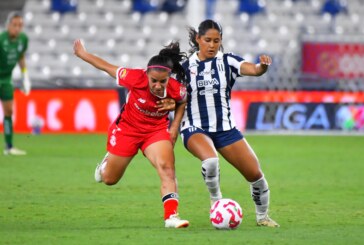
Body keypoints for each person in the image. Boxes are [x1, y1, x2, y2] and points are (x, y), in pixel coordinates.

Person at [73, 39, 189, 228]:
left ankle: (171, 217)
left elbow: (184, 101)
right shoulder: (135, 77)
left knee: (167, 168)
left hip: (155, 131)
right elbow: (106, 67)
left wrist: (174, 125)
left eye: (163, 81)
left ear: (169, 78)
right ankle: (105, 165)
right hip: (127, 129)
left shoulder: (177, 88)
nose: (158, 86)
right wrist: (83, 54)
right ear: (147, 75)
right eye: (154, 81)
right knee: (110, 179)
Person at [178, 19, 279, 227]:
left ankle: (263, 218)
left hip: (225, 129)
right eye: (208, 40)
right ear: (198, 39)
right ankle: (216, 202)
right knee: (211, 161)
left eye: (217, 41)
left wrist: (262, 67)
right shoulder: (185, 68)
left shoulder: (227, 61)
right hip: (195, 128)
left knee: (256, 175)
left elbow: (253, 69)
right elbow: (174, 98)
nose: (212, 45)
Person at [0, 12, 31, 155]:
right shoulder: (1, 39)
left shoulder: (23, 39)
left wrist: (25, 75)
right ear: (8, 25)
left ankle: (9, 146)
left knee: (9, 112)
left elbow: (21, 56)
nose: (17, 28)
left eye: (20, 25)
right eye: (15, 25)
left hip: (6, 79)